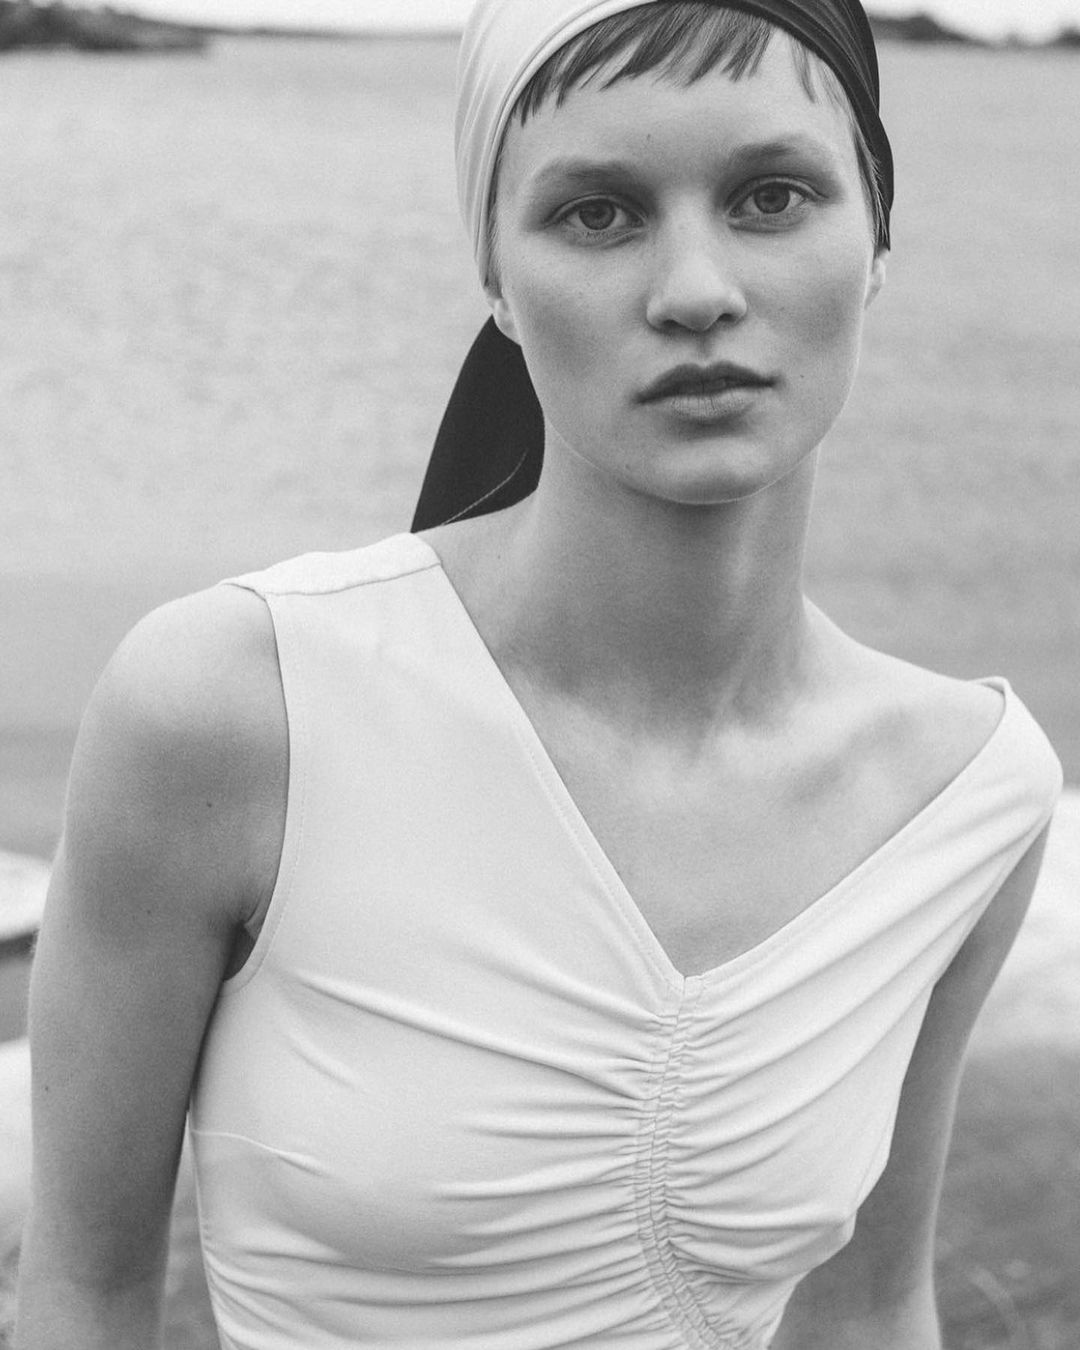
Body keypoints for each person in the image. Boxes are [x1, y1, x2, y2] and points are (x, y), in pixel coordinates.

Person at [15, 2, 1063, 1348]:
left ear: (877, 241)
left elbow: (868, 1307)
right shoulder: (236, 708)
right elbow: (85, 1288)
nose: (695, 289)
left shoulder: (965, 794)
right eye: (596, 214)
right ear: (497, 281)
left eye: (772, 195)